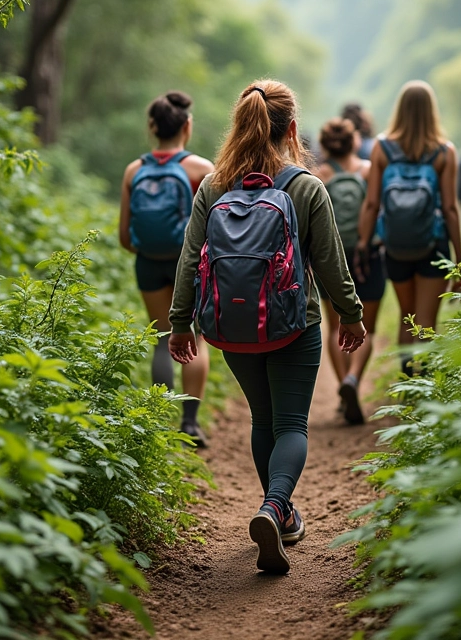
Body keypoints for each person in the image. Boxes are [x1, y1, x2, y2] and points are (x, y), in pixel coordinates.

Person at [168, 80, 366, 574]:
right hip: (295, 323)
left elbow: (191, 258)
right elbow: (329, 264)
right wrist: (353, 314)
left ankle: (280, 511)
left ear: (240, 124)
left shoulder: (213, 186)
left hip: (233, 325)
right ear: (292, 129)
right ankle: (276, 508)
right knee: (291, 425)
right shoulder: (305, 186)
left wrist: (180, 322)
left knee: (263, 420)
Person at [119, 90, 214, 447]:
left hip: (148, 265)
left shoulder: (135, 170)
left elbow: (124, 236)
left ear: (153, 126)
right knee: (195, 339)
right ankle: (189, 423)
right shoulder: (202, 170)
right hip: (188, 266)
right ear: (186, 125)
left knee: (162, 339)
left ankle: (158, 421)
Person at [356, 80, 461, 374]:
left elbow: (372, 203)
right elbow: (451, 209)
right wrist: (460, 260)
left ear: (400, 109)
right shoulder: (444, 151)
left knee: (408, 316)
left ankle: (407, 380)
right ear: (431, 111)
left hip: (395, 246)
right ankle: (424, 389)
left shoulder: (381, 148)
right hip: (434, 244)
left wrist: (364, 243)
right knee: (427, 322)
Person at [314, 117, 386, 424]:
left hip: (330, 259)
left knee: (335, 327)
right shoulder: (370, 170)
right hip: (366, 254)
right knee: (365, 325)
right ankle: (354, 378)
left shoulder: (318, 175)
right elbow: (377, 208)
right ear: (354, 141)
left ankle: (344, 385)